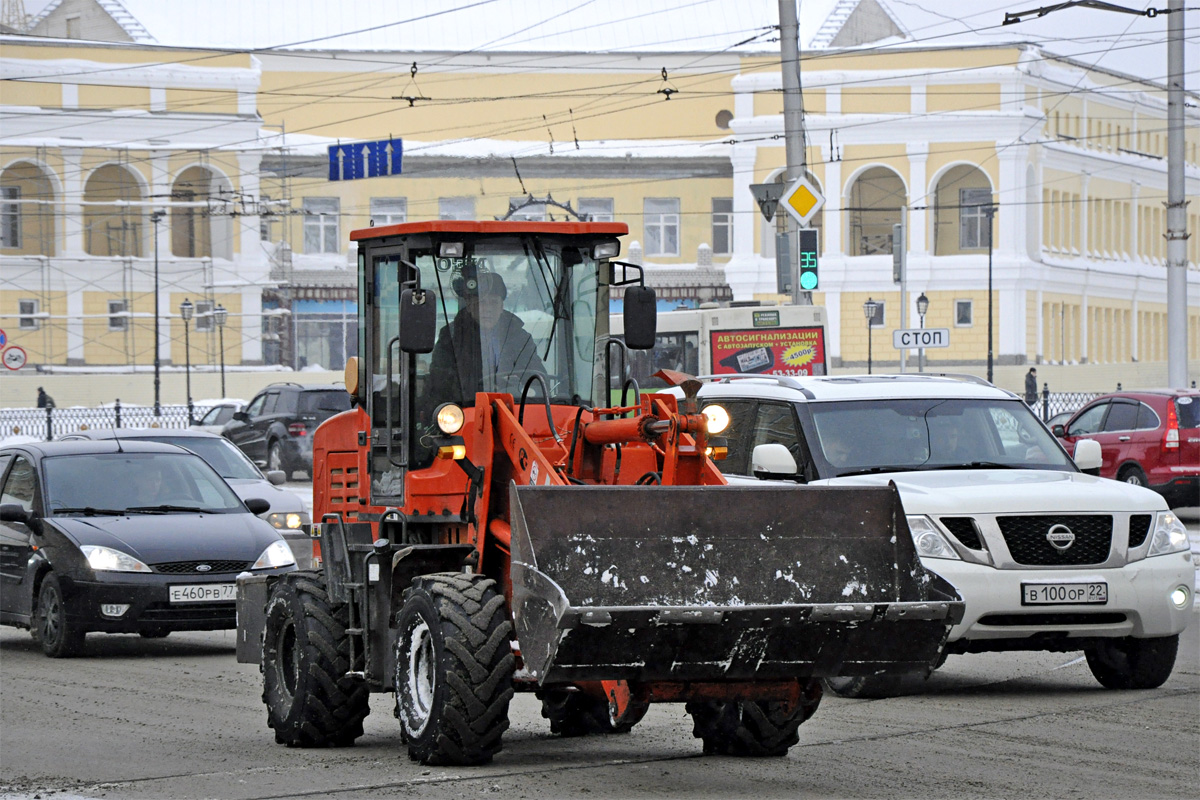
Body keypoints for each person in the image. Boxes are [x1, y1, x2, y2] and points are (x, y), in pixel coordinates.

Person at [429, 271, 546, 404]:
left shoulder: (519, 337)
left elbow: (537, 377)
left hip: (512, 409)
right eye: (481, 303)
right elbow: (440, 382)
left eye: (493, 302)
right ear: (469, 306)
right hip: (465, 412)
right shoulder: (451, 337)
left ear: (502, 307)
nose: (488, 309)